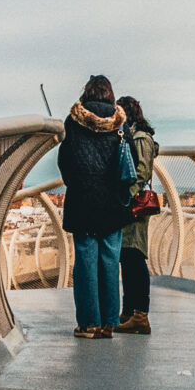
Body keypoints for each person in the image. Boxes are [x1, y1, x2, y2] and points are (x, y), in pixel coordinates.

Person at [57, 74, 129, 339]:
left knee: (86, 263)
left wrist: (76, 183)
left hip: (83, 201)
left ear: (86, 92)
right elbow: (128, 160)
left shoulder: (73, 122)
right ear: (110, 94)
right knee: (110, 261)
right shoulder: (121, 124)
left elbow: (65, 161)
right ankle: (110, 321)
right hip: (113, 203)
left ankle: (89, 324)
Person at [116, 96, 159, 335]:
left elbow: (141, 172)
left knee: (134, 258)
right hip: (131, 206)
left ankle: (140, 315)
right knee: (127, 258)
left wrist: (126, 197)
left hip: (134, 207)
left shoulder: (140, 138)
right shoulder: (135, 136)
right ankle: (129, 312)